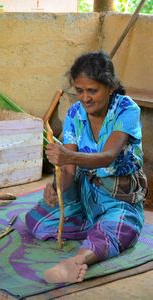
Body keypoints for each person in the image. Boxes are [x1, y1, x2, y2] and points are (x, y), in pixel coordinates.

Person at [25, 51, 148, 284]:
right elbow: (69, 169)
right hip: (85, 197)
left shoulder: (126, 110)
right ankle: (96, 226)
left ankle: (76, 262)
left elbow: (108, 156)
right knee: (36, 221)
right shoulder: (74, 113)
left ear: (110, 87)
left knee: (122, 228)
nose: (85, 98)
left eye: (92, 90)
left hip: (119, 197)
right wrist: (57, 186)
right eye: (79, 91)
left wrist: (67, 155)